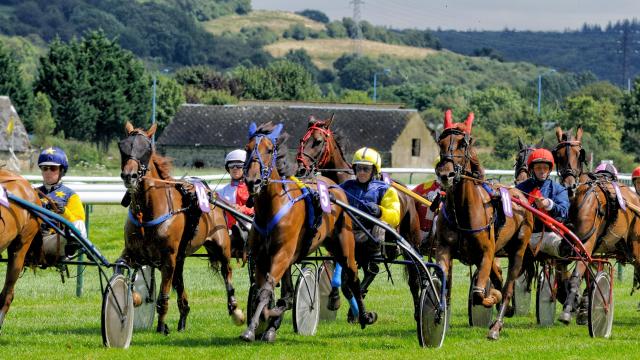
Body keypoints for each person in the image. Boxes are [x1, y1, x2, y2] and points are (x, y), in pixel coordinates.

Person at [328, 147, 401, 324]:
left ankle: (373, 265)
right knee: (346, 285)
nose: (361, 172)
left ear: (374, 170)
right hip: (349, 235)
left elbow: (395, 216)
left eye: (366, 169)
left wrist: (380, 210)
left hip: (372, 237)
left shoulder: (385, 189)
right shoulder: (344, 187)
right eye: (358, 168)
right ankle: (357, 310)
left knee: (380, 225)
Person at [516, 148, 570, 258]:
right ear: (532, 169)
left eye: (545, 168)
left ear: (550, 170)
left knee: (559, 246)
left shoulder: (559, 189)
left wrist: (549, 204)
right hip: (525, 235)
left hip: (550, 235)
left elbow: (565, 211)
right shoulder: (520, 188)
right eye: (538, 168)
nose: (542, 171)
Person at [37, 147, 86, 263]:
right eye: (44, 168)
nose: (48, 172)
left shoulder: (71, 195)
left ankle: (69, 249)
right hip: (31, 240)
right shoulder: (32, 192)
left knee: (79, 225)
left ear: (62, 171)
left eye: (53, 168)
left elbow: (77, 222)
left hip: (56, 241)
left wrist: (64, 212)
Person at [216, 149, 254, 256]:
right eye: (232, 165)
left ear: (245, 168)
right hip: (227, 231)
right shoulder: (221, 192)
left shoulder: (253, 190)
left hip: (251, 229)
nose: (235, 168)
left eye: (239, 165)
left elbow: (260, 210)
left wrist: (242, 209)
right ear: (227, 168)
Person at [413, 156, 442, 238]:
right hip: (420, 236)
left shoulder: (459, 192)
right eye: (441, 167)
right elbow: (408, 201)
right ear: (436, 170)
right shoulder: (422, 188)